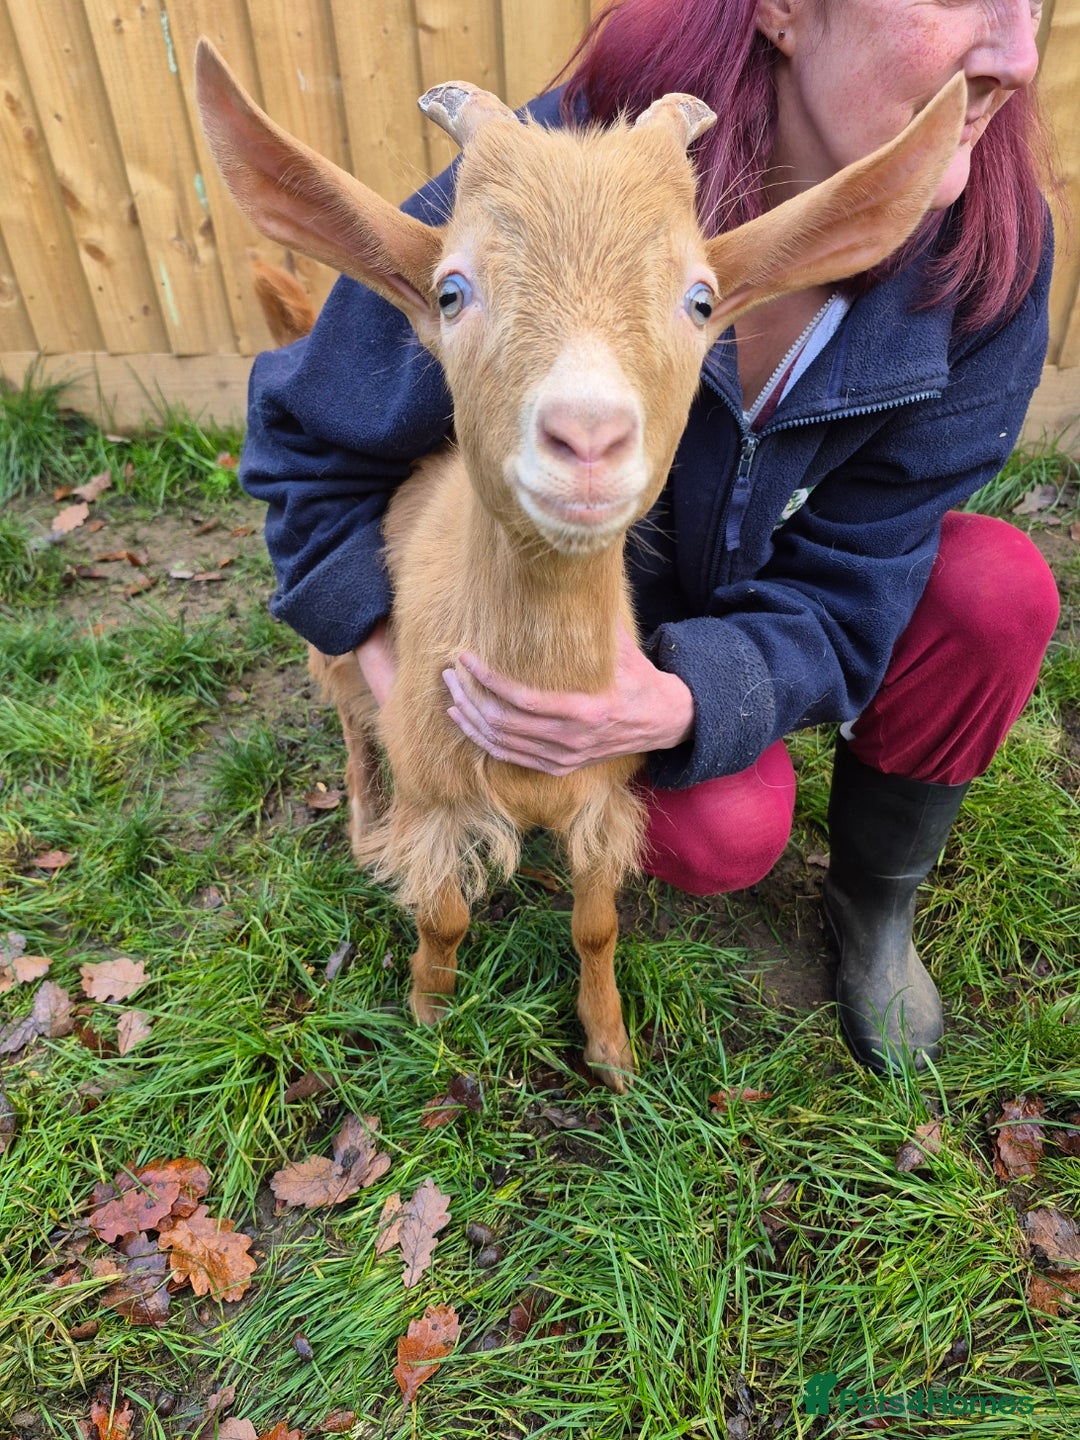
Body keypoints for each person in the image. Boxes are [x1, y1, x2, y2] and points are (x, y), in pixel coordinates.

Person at [239, 0, 1060, 1073]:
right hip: (529, 578)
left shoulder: (985, 261)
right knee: (712, 827)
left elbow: (866, 565)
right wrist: (383, 663)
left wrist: (688, 700)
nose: (1018, 50)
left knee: (992, 588)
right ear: (783, 12)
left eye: (1037, 0)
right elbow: (308, 443)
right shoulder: (528, 186)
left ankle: (875, 908)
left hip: (714, 621)